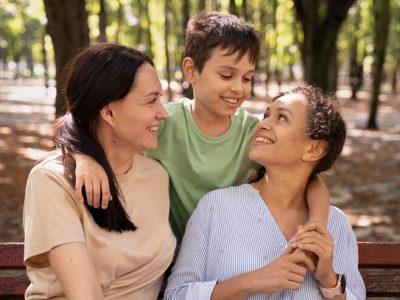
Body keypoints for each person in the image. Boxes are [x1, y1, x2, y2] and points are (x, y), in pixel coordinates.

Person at [71, 11, 330, 241]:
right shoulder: (162, 122)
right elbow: (87, 125)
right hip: (168, 256)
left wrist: (317, 224)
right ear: (191, 70)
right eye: (226, 75)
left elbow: (307, 179)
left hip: (229, 254)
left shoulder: (253, 133)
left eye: (247, 78)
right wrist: (84, 157)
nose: (238, 88)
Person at [164, 86, 366, 300]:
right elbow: (176, 295)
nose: (262, 124)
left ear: (314, 150)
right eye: (266, 115)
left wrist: (329, 280)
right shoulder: (216, 207)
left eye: (281, 118)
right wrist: (251, 282)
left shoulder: (336, 224)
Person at [23, 43, 176, 300]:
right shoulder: (52, 181)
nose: (163, 113)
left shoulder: (156, 176)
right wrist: (79, 154)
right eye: (151, 101)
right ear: (109, 111)